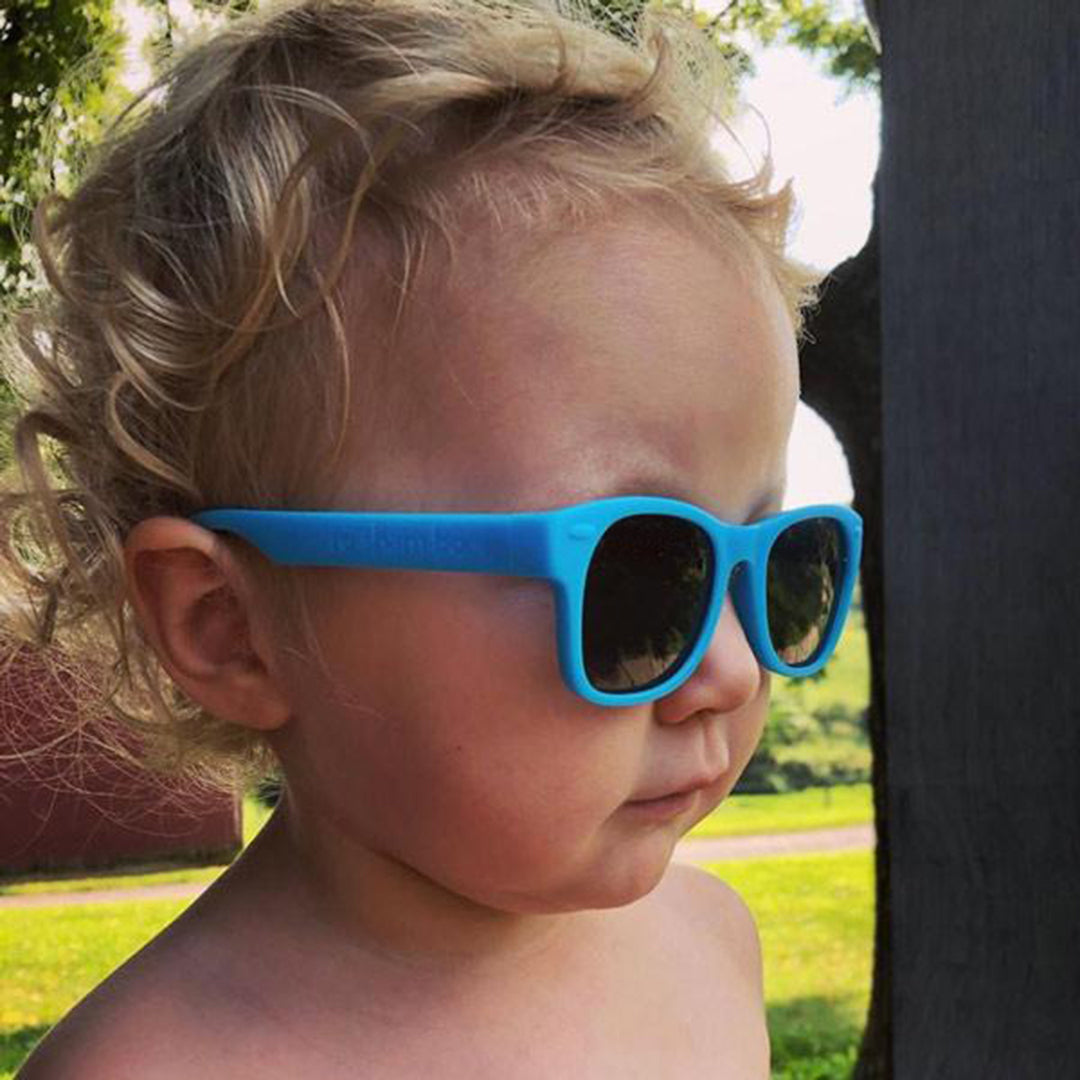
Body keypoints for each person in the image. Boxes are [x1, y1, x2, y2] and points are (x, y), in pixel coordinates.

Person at [3, 0, 861, 1075]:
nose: (732, 672)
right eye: (643, 579)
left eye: (781, 567)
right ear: (229, 626)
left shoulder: (708, 950)